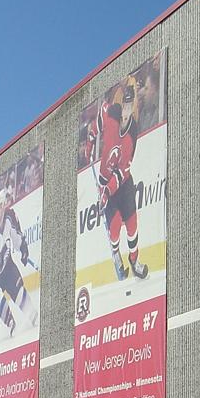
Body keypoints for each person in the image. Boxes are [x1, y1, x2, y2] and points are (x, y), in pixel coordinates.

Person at [85, 75, 148, 281]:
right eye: (124, 106)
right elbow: (97, 122)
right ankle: (115, 253)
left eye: (129, 107)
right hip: (105, 182)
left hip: (123, 183)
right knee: (114, 227)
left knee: (131, 223)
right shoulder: (111, 112)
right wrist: (90, 141)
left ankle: (134, 259)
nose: (126, 111)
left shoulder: (132, 133)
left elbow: (122, 172)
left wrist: (107, 192)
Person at [0, 192, 38, 336]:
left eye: (1, 205)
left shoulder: (9, 216)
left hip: (8, 268)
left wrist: (23, 250)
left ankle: (33, 315)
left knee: (19, 292)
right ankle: (11, 324)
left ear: (4, 205)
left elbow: (17, 236)